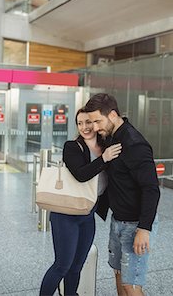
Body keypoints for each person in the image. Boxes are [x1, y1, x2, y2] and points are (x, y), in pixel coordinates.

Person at [40, 107, 122, 296]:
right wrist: (104, 158)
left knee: (77, 266)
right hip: (66, 215)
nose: (84, 127)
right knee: (62, 265)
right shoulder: (72, 147)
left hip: (88, 214)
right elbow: (80, 174)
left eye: (88, 122)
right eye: (80, 123)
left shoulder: (106, 145)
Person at [84, 93, 160, 296]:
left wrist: (144, 229)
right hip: (118, 220)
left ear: (113, 115)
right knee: (118, 273)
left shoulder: (135, 143)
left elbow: (151, 188)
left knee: (131, 284)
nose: (96, 127)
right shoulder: (110, 138)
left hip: (135, 224)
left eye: (98, 121)